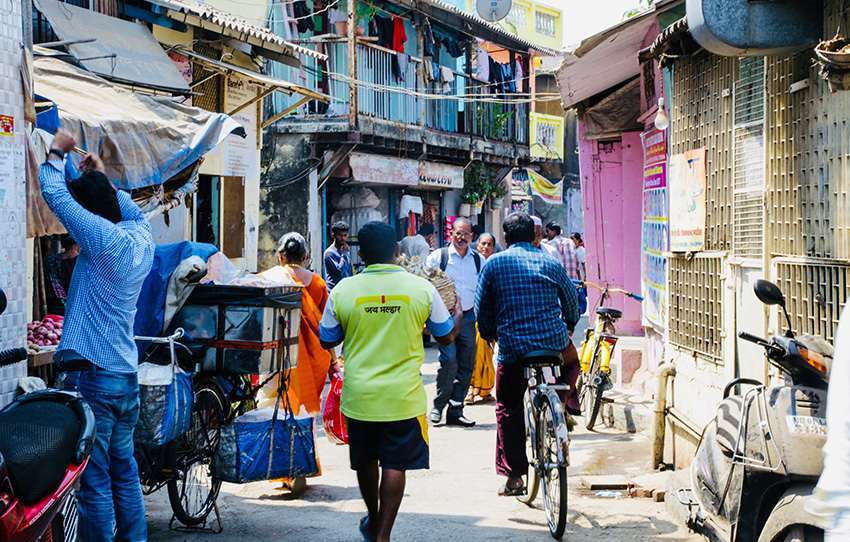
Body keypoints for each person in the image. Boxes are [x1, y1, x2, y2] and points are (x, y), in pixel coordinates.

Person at [41, 130, 154, 542]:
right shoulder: (140, 238)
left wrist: (57, 152)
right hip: (124, 377)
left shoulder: (102, 240)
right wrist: (101, 177)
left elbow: (57, 198)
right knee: (124, 472)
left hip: (96, 377)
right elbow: (126, 209)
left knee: (94, 478)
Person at [319, 221, 460, 542]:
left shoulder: (344, 289)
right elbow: (446, 335)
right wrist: (460, 314)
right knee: (395, 464)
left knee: (366, 461)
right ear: (396, 252)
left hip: (360, 396)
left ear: (362, 255)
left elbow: (327, 337)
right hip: (403, 396)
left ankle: (372, 516)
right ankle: (383, 534)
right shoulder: (421, 288)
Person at [475, 212, 580, 496]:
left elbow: (482, 308)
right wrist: (568, 328)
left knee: (507, 407)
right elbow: (571, 302)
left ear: (506, 238)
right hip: (552, 343)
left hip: (513, 347)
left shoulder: (494, 263)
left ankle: (515, 477)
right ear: (534, 236)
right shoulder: (549, 261)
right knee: (572, 363)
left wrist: (489, 335)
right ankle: (563, 403)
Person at [260, 232, 335, 494]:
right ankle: (301, 468)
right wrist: (334, 361)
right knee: (303, 415)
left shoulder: (268, 280)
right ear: (305, 257)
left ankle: (283, 471)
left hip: (273, 359)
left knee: (276, 412)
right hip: (309, 360)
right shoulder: (316, 283)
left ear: (280, 256)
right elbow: (327, 326)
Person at [426, 217, 481, 427]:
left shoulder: (477, 260)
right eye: (458, 233)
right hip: (444, 318)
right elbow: (424, 284)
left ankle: (456, 409)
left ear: (471, 237)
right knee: (449, 361)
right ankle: (439, 406)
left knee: (467, 364)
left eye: (466, 234)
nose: (461, 237)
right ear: (451, 234)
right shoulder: (437, 258)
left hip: (468, 316)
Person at [466, 233, 497, 405]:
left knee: (487, 355)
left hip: (491, 315)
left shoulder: (495, 264)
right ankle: (471, 389)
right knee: (474, 354)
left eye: (489, 244)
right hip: (473, 315)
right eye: (483, 243)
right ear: (477, 245)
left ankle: (485, 390)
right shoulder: (472, 262)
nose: (485, 247)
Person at [45, 235, 80, 315]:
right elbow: (55, 285)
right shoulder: (53, 262)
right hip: (58, 304)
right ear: (75, 247)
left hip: (67, 303)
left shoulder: (76, 262)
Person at [324, 221, 353, 291]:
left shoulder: (345, 250)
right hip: (333, 291)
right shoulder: (329, 253)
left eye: (345, 235)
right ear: (333, 235)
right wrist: (344, 254)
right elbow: (340, 272)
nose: (343, 238)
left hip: (345, 290)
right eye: (340, 235)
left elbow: (349, 271)